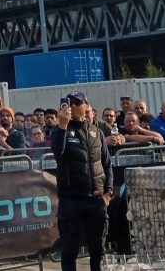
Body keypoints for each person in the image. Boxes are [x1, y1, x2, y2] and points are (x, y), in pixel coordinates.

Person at [49, 92, 112, 271]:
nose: (74, 106)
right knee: (69, 251)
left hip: (96, 200)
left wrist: (107, 193)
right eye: (70, 103)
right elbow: (58, 155)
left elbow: (107, 164)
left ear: (87, 106)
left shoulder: (96, 132)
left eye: (78, 102)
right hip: (71, 201)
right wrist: (62, 125)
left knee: (98, 251)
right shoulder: (60, 130)